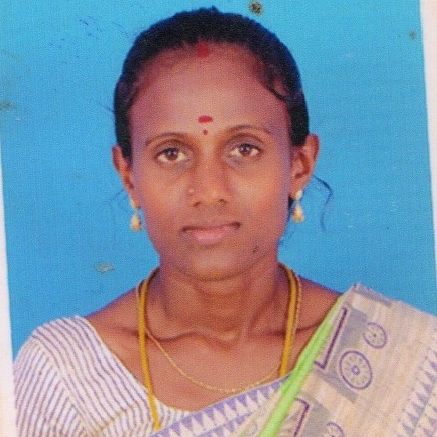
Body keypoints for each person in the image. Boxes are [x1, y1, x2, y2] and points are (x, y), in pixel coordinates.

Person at [14, 7, 437, 437]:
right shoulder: (65, 378)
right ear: (129, 176)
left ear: (300, 165)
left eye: (244, 149)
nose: (209, 190)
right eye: (171, 153)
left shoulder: (408, 364)